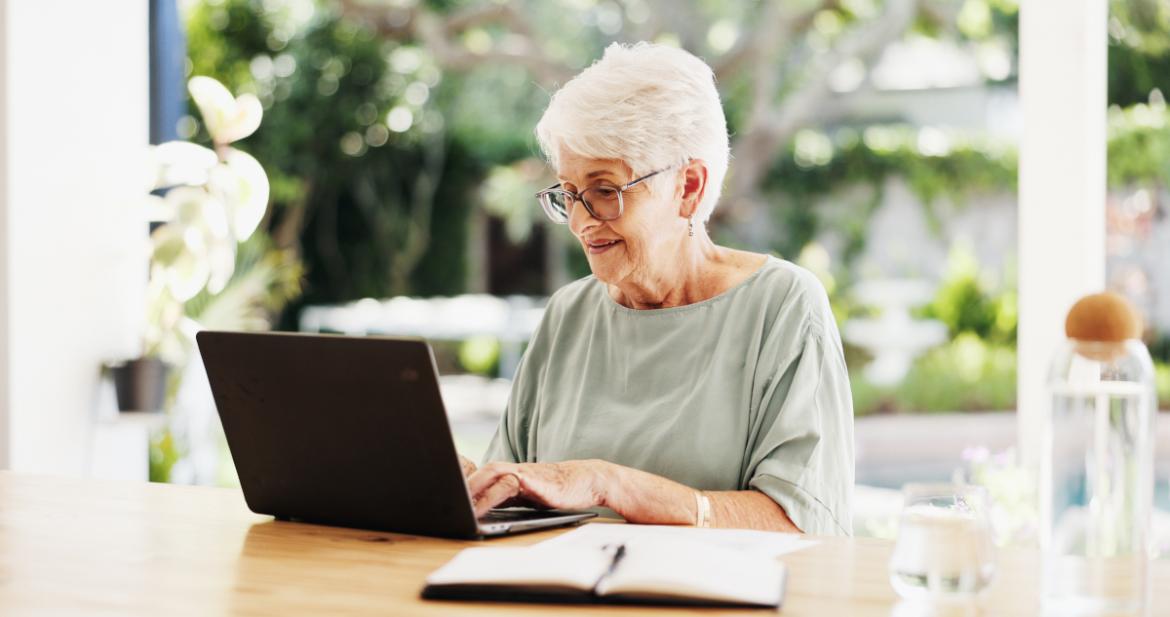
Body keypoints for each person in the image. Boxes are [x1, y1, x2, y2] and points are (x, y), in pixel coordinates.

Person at [460, 42, 853, 535]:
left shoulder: (783, 307)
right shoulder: (568, 314)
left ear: (688, 187)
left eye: (605, 190)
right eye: (568, 193)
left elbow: (807, 526)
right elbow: (514, 500)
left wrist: (608, 484)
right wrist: (473, 488)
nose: (581, 221)